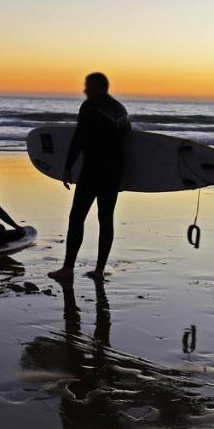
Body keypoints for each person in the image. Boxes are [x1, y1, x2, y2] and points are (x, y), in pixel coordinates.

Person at [48, 72, 130, 281]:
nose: (85, 90)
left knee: (77, 217)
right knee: (106, 220)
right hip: (114, 173)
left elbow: (80, 137)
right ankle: (99, 270)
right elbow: (127, 145)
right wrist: (125, 176)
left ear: (97, 86)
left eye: (88, 86)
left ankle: (67, 269)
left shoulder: (91, 106)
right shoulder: (121, 110)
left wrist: (67, 167)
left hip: (93, 170)